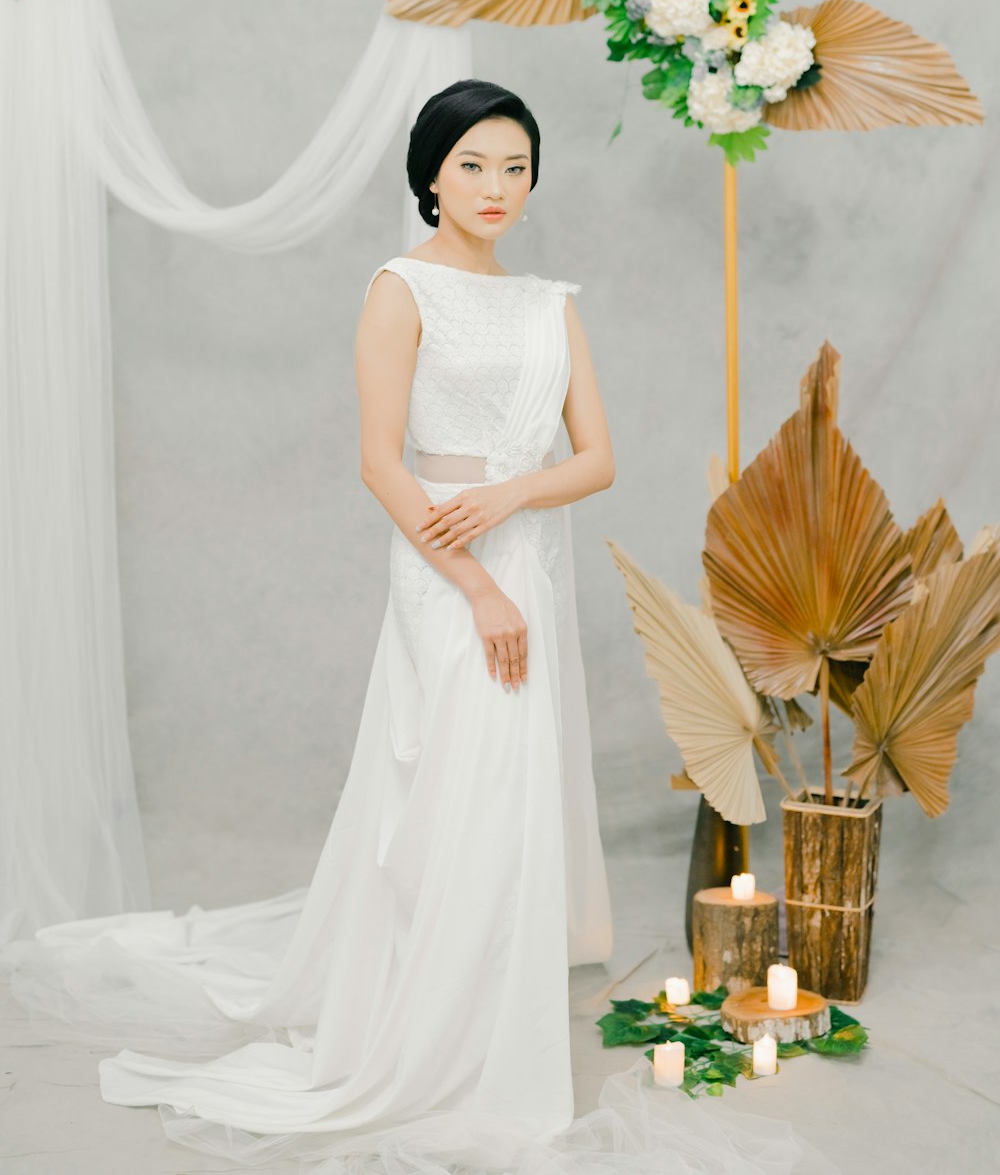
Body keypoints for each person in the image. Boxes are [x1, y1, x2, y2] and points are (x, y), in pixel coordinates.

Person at [0, 79, 838, 1174]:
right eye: (473, 165)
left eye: (516, 168)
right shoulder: (400, 288)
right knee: (443, 777)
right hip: (443, 572)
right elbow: (380, 462)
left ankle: (488, 1004)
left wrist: (510, 503)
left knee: (507, 788)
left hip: (521, 556)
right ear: (431, 174)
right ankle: (420, 1017)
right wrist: (475, 582)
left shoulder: (551, 302)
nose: (495, 187)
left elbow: (598, 459)